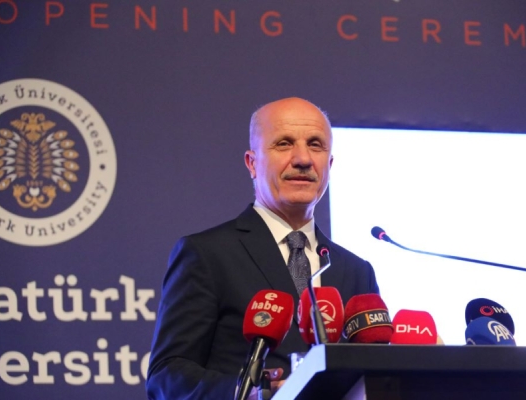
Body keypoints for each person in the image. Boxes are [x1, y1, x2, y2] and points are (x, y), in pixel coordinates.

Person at [146, 97, 380, 399]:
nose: (303, 159)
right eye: (284, 144)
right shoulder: (206, 255)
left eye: (315, 145)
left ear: (330, 164)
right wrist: (252, 393)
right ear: (252, 163)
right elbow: (167, 376)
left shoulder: (357, 271)